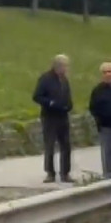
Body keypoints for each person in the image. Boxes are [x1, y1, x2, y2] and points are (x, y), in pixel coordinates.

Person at [32, 54, 74, 183]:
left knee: (66, 145)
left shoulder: (64, 80)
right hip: (50, 117)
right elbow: (37, 96)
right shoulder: (46, 79)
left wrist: (69, 105)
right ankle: (50, 173)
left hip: (63, 116)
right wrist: (50, 103)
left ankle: (65, 173)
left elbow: (68, 95)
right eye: (65, 66)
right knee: (50, 145)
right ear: (58, 66)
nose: (66, 69)